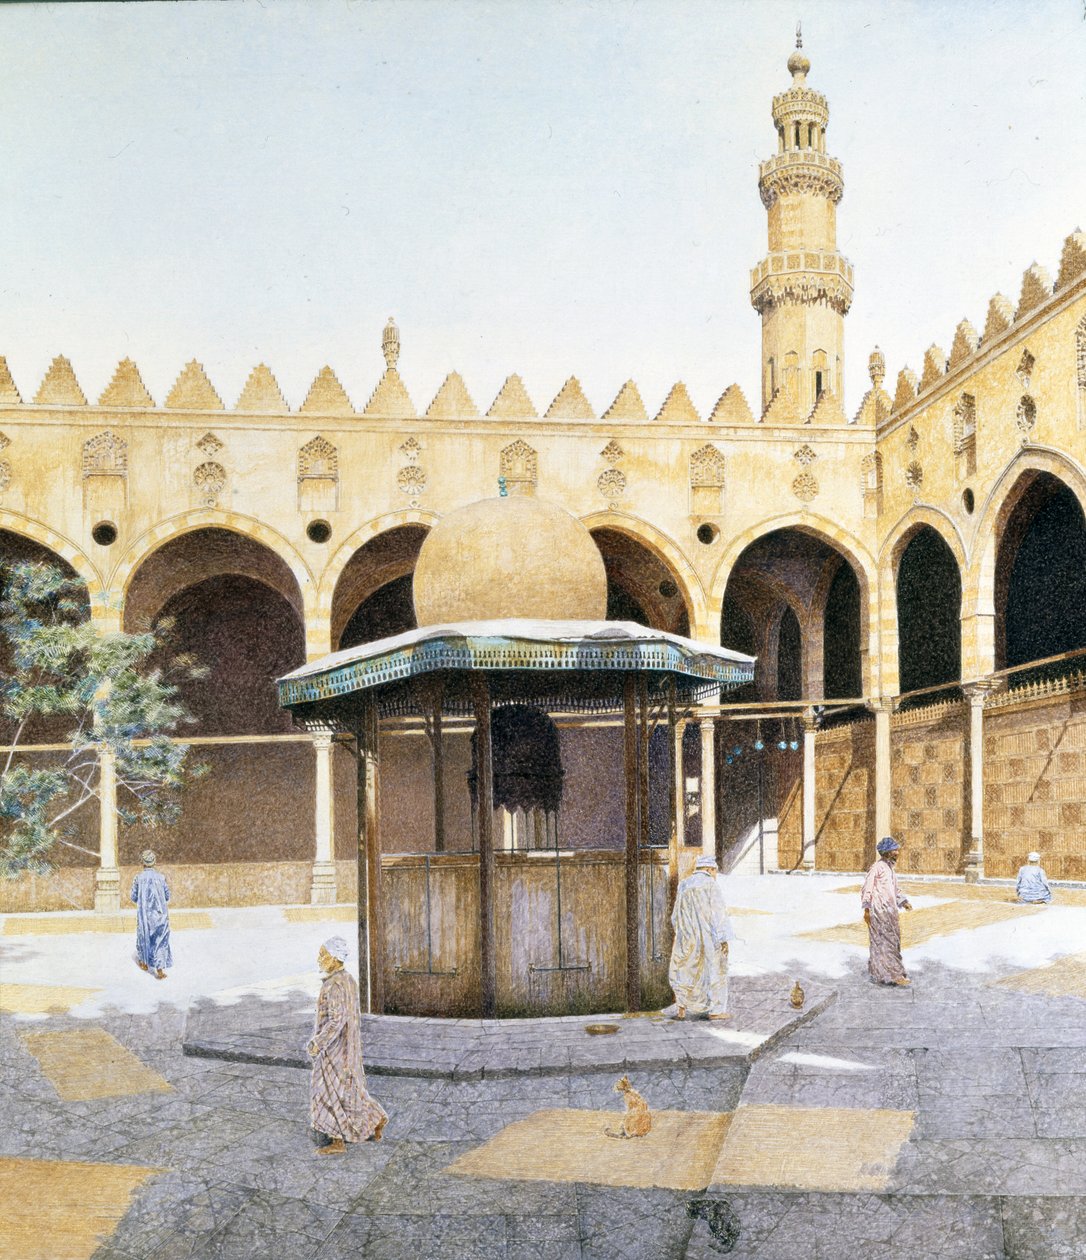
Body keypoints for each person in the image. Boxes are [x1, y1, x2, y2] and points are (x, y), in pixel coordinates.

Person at [307, 936, 387, 1155]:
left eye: (324, 955)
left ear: (335, 958)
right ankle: (376, 1118)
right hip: (347, 1047)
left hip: (334, 1049)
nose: (320, 959)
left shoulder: (333, 985)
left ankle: (337, 1141)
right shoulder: (348, 980)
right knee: (349, 1091)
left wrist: (318, 1043)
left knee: (327, 1091)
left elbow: (335, 1020)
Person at [668, 853, 734, 1020]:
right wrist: (723, 939)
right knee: (716, 969)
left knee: (684, 969)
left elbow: (675, 915)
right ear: (709, 869)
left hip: (687, 936)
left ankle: (681, 1010)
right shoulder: (711, 885)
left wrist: (681, 932)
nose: (715, 875)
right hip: (708, 938)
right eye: (714, 871)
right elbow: (718, 915)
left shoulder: (684, 884)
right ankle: (716, 1010)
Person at [861, 836, 912, 987]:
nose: (897, 852)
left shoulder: (890, 868)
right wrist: (866, 909)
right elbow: (867, 888)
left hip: (890, 911)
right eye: (894, 850)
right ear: (888, 852)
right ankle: (894, 975)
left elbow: (895, 889)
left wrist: (904, 902)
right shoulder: (877, 868)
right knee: (884, 942)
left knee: (893, 940)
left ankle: (884, 974)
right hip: (879, 911)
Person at [131, 849, 172, 980]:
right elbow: (167, 896)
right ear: (154, 862)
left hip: (145, 914)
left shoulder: (138, 878)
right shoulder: (161, 877)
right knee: (160, 939)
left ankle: (144, 962)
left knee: (144, 937)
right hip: (160, 914)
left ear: (142, 862)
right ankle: (159, 970)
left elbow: (133, 897)